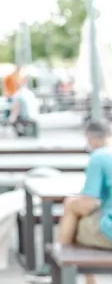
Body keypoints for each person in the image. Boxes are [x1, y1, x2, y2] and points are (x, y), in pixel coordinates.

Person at [56, 120, 112, 284]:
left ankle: (62, 269)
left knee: (72, 214)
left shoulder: (100, 157)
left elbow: (87, 204)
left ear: (90, 138)